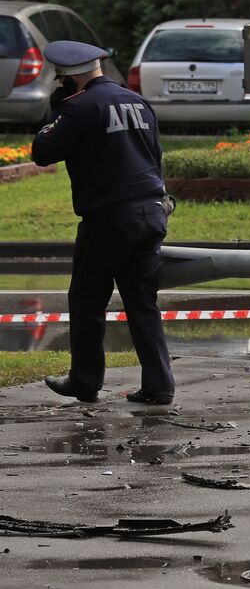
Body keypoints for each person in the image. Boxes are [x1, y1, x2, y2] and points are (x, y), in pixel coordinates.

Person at [31, 40, 175, 406]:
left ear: (67, 78)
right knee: (142, 302)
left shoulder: (79, 106)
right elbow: (155, 155)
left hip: (110, 217)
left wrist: (55, 113)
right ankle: (159, 385)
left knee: (87, 300)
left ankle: (85, 381)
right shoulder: (137, 101)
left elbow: (42, 152)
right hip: (151, 212)